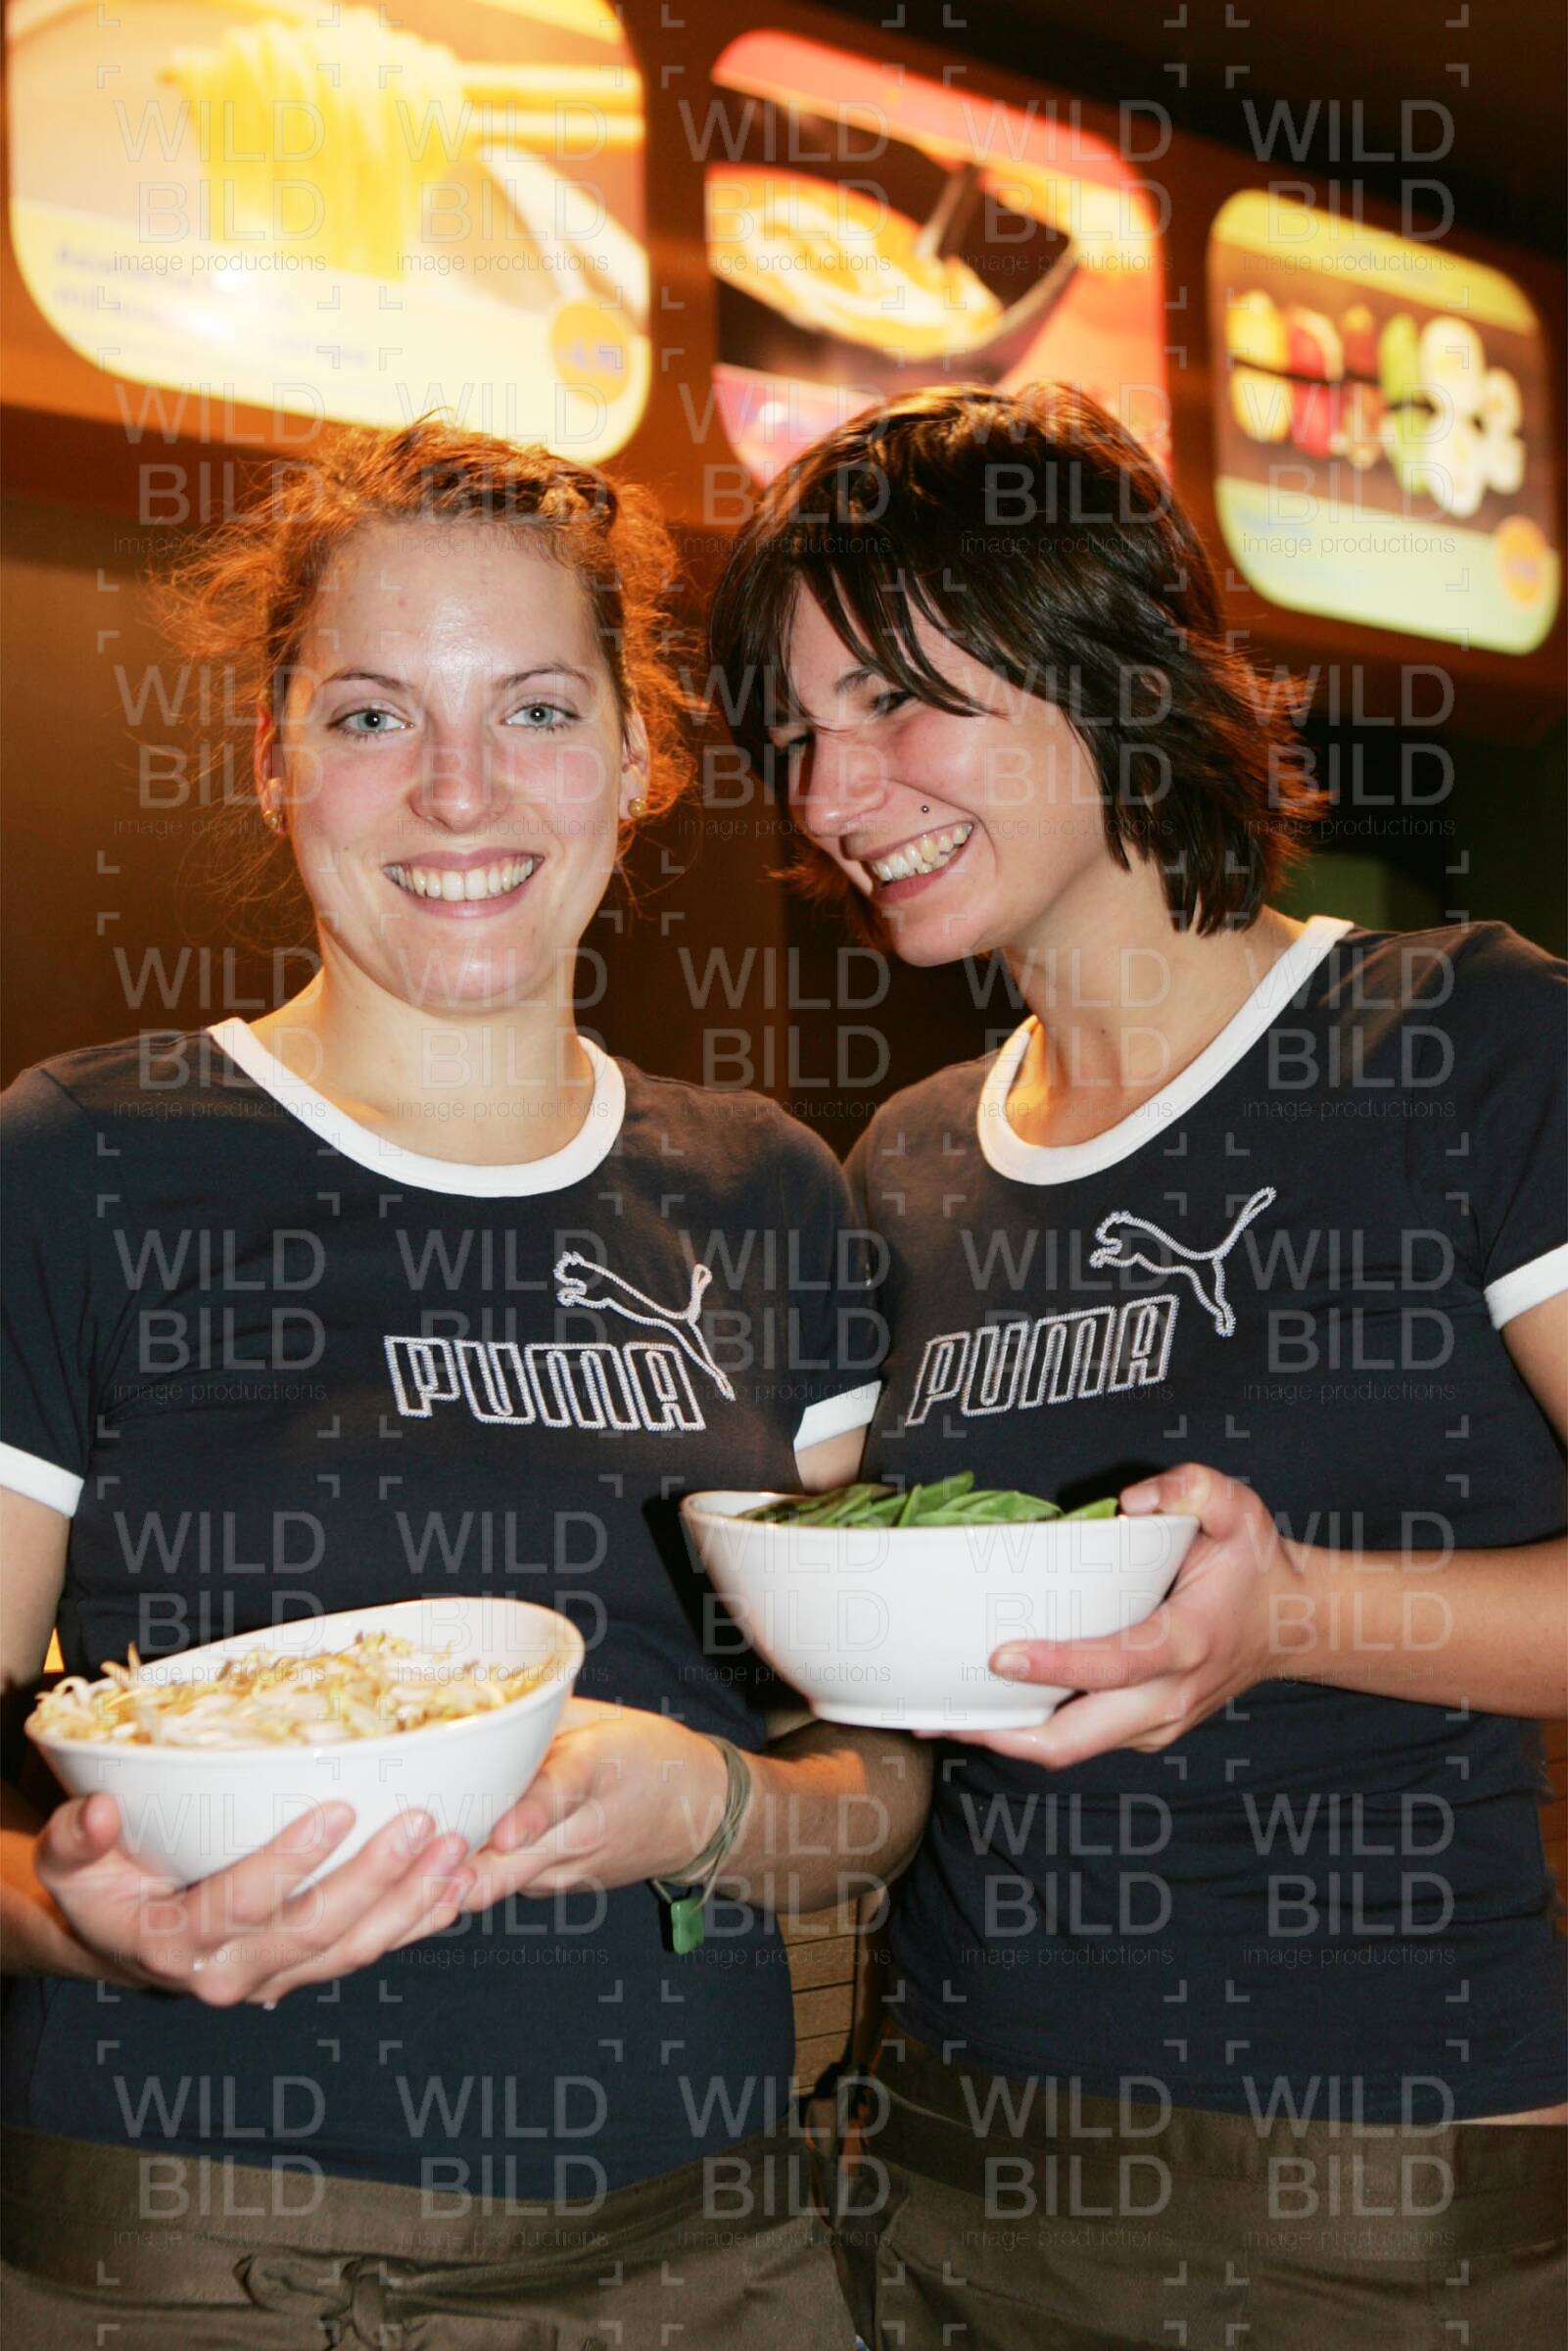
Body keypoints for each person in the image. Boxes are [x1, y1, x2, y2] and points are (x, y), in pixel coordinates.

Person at [0, 420, 930, 2346]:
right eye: (369, 717)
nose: (455, 791)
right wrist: (68, 1920)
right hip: (204, 2265)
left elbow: (881, 1791)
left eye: (534, 710)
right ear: (270, 759)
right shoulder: (85, 1162)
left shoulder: (767, 1192)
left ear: (640, 754)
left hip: (711, 2259)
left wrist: (709, 1812)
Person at [710, 383, 1567, 2348]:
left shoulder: (1464, 1040)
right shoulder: (905, 1160)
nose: (832, 795)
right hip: (952, 2167)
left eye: (895, 699)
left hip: (1380, 2199)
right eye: (799, 731)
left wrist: (1297, 1615)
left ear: (1108, 665)